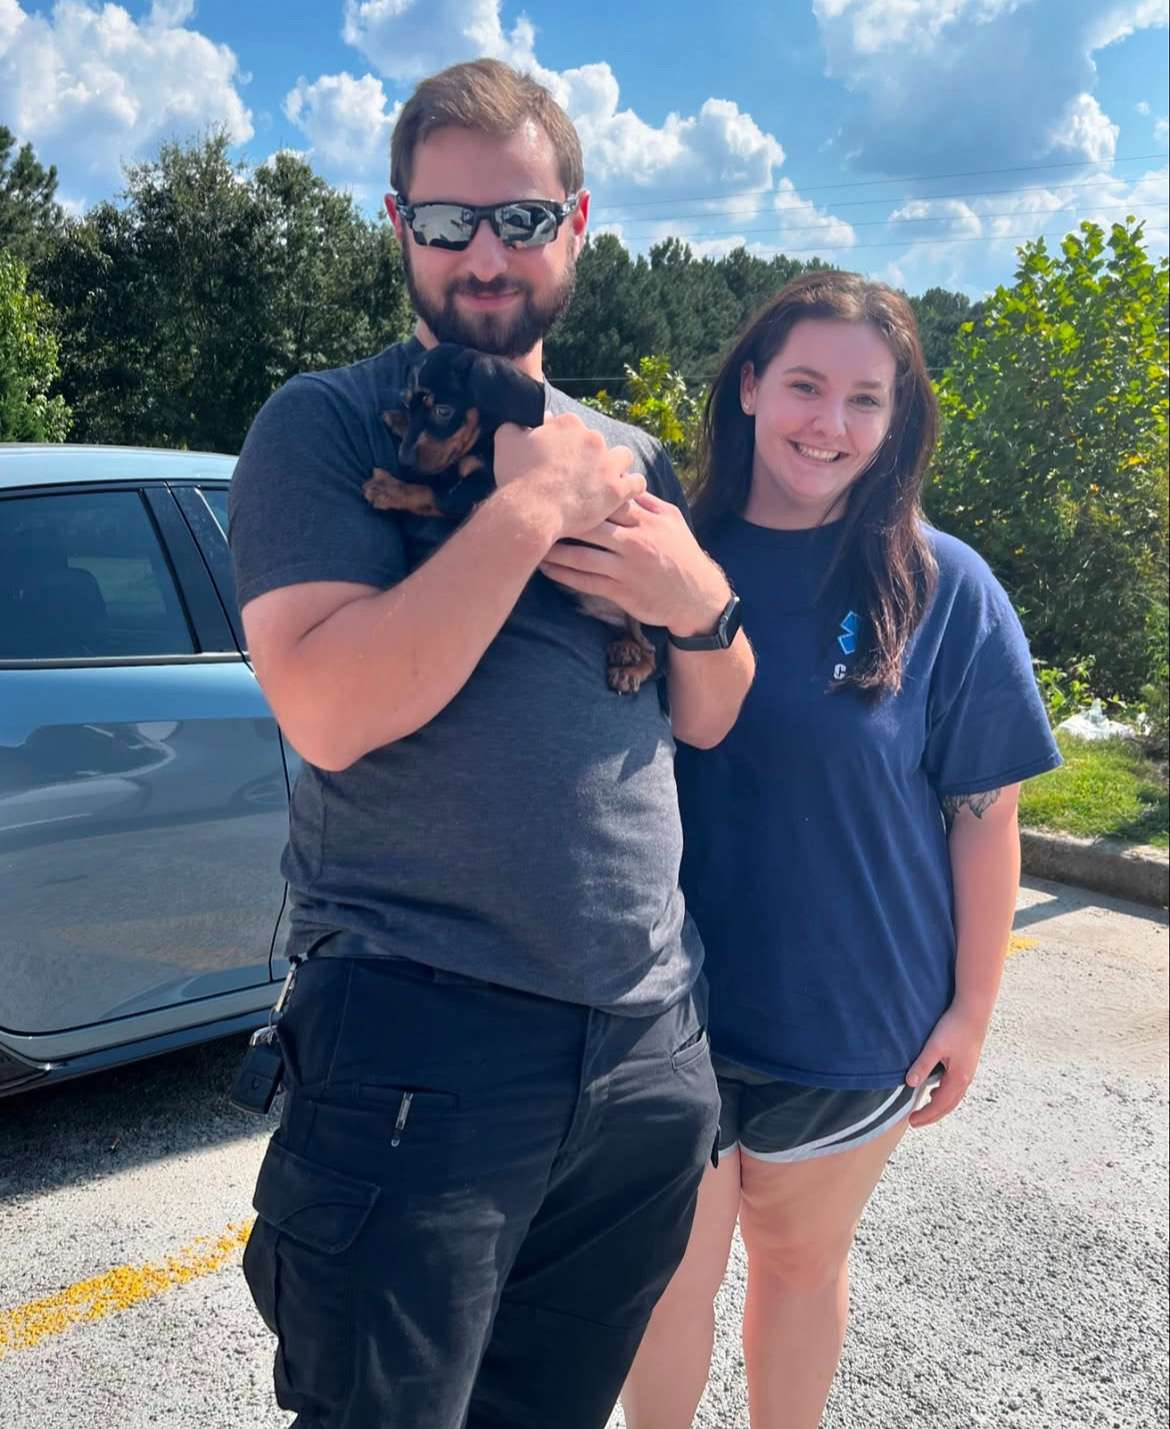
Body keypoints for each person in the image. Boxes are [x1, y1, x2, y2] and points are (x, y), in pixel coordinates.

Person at [228, 57, 754, 1429]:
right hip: (421, 1037)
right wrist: (525, 516)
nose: (483, 253)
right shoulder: (326, 426)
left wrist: (703, 607)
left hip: (645, 1050)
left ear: (575, 226)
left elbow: (708, 711)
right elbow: (328, 709)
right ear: (397, 223)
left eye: (519, 219)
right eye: (448, 218)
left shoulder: (629, 454)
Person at [620, 272, 1061, 1429]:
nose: (830, 422)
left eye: (866, 399)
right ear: (752, 387)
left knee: (800, 1268)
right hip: (662, 1010)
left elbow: (985, 814)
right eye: (806, 384)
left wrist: (972, 1009)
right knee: (665, 1279)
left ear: (897, 419)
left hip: (853, 1018)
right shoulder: (663, 558)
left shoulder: (943, 587)